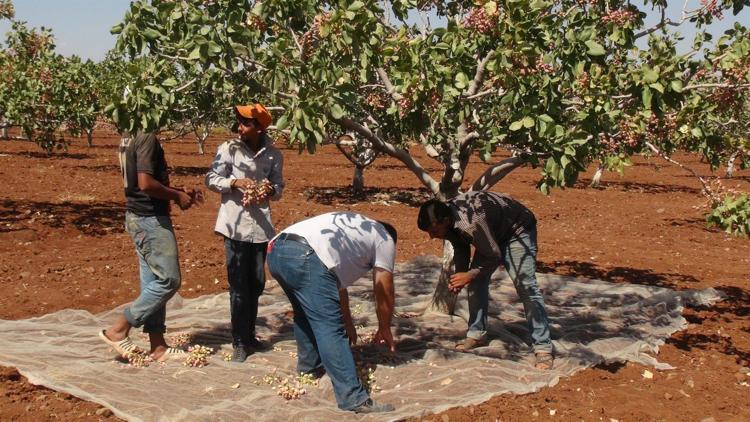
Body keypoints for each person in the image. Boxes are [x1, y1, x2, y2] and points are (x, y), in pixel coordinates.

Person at [266, 212, 397, 413]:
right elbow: (383, 286)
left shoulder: (355, 228)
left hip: (277, 251)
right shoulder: (385, 238)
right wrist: (385, 327)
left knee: (304, 312)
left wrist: (349, 322)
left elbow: (337, 287)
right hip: (306, 255)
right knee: (329, 327)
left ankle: (309, 369)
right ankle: (353, 398)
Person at [417, 191, 554, 370]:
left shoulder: (470, 222)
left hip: (517, 231)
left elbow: (493, 255)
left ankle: (543, 347)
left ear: (446, 221)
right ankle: (476, 334)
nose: (432, 237)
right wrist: (461, 275)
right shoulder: (449, 218)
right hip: (490, 235)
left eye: (434, 231)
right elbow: (460, 246)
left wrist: (469, 274)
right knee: (475, 283)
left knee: (526, 286)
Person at [99, 131, 203, 362]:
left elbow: (140, 180)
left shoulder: (129, 134)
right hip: (150, 220)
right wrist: (176, 196)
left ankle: (158, 346)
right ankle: (118, 329)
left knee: (154, 282)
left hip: (138, 217)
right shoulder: (146, 136)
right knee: (169, 280)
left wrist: (176, 190)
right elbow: (145, 184)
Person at [205, 103, 284, 362]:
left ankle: (249, 336)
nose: (240, 127)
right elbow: (211, 179)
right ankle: (239, 341)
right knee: (239, 286)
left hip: (261, 229)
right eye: (239, 122)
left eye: (245, 123)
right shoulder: (228, 149)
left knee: (257, 284)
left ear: (259, 127)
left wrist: (269, 190)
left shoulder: (273, 155)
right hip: (235, 226)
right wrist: (235, 183)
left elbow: (279, 186)